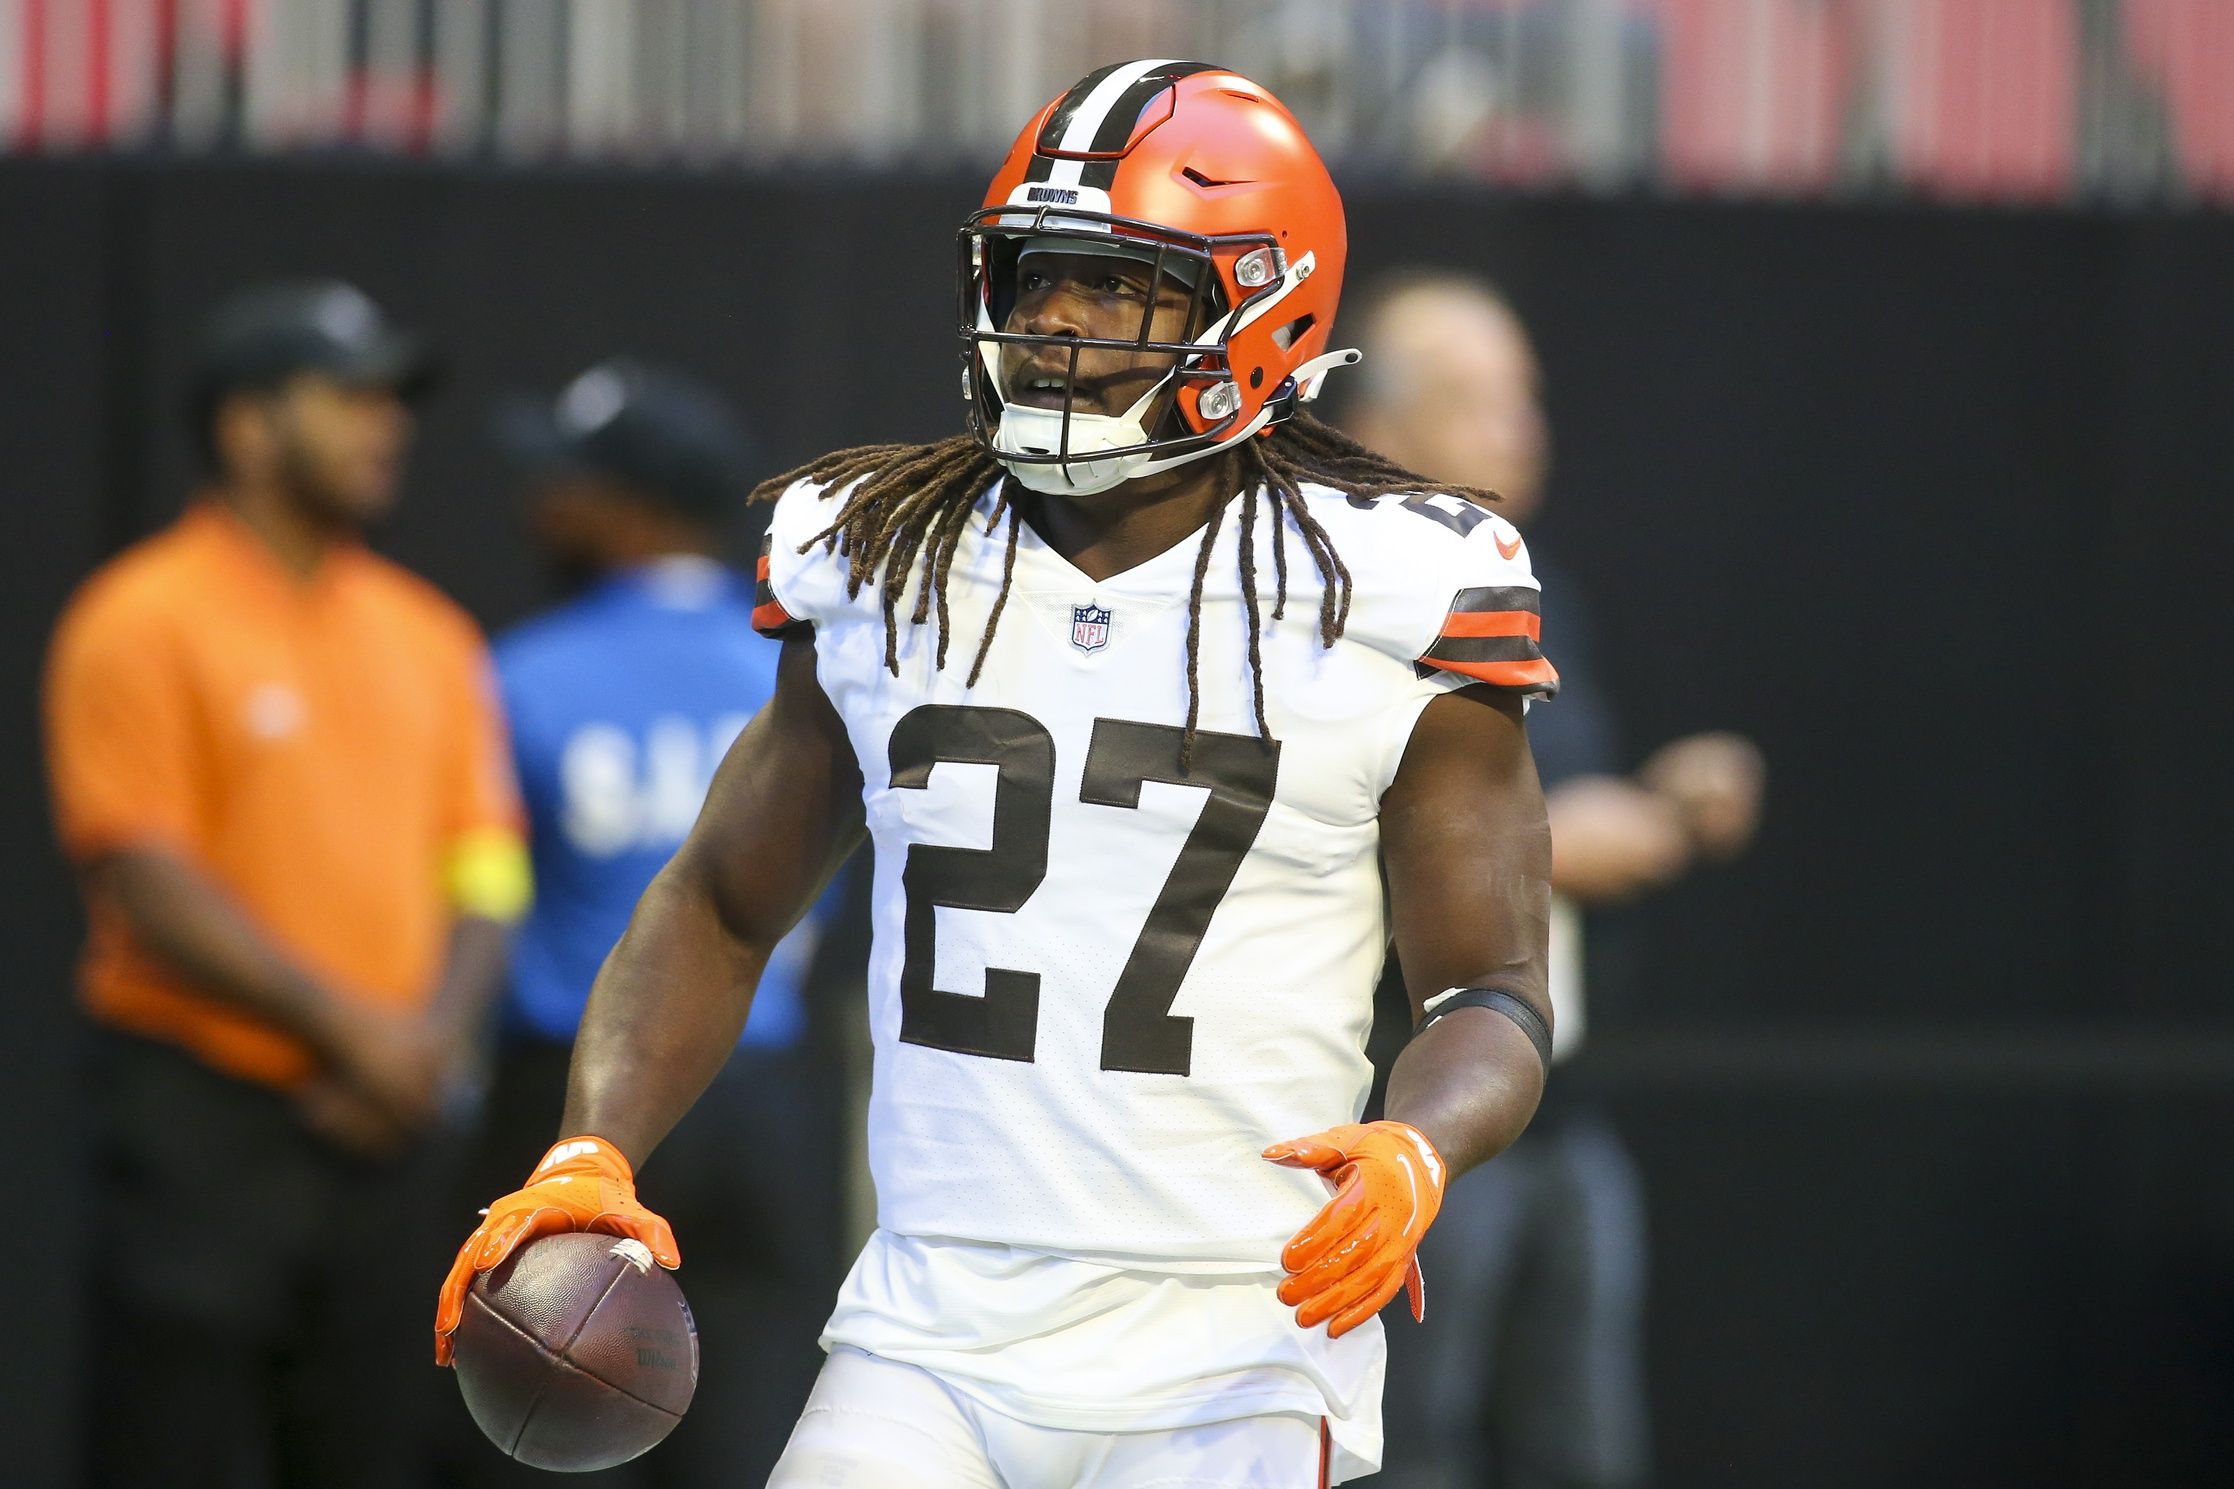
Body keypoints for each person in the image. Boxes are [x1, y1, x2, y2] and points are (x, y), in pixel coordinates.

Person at [436, 61, 1559, 1487]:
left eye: (1115, 289)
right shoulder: (884, 559)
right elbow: (721, 903)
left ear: (1261, 306)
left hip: (1239, 1335)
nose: (1055, 327)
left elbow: (1490, 994)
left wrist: (1418, 1143)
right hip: (929, 1326)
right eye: (1034, 281)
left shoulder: (1394, 588)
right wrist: (589, 1150)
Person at [44, 279, 527, 1489]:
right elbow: (145, 874)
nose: (388, 427)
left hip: (389, 1126)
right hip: (206, 1117)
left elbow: (485, 861)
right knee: (173, 1450)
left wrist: (428, 1050)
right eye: (349, 399)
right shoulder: (140, 619)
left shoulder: (429, 634)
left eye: (391, 402)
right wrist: (356, 1035)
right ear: (247, 429)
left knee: (369, 1451)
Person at [1333, 270, 1765, 1489]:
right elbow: (1330, 822)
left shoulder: (1525, 586)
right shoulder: (1334, 595)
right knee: (1405, 1440)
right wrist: (1558, 845)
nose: (1518, 424)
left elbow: (1553, 790)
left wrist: (1665, 797)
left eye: (1523, 394)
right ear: (1380, 426)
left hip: (1560, 1104)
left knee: (1579, 1442)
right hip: (1408, 1108)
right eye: (1475, 398)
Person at [445, 358, 845, 1487]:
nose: (537, 504)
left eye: (560, 481)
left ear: (626, 506)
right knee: (755, 1422)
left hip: (579, 1100)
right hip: (765, 1092)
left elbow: (476, 889)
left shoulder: (518, 674)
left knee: (547, 1421)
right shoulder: (797, 670)